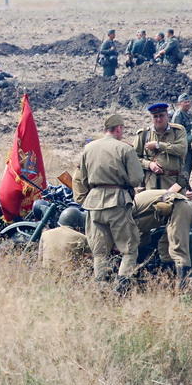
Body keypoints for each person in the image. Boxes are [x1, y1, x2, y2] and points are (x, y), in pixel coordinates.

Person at [72, 114, 144, 292]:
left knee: (99, 251)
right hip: (117, 201)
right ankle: (122, 287)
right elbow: (136, 179)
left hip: (94, 203)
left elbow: (81, 178)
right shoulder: (125, 149)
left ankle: (101, 288)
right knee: (129, 248)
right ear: (118, 128)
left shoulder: (88, 149)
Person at [133, 189, 192, 287]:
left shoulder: (130, 207)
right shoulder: (136, 211)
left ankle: (184, 290)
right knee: (164, 248)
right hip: (175, 210)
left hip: (179, 206)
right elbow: (144, 238)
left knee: (178, 250)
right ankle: (170, 284)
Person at [134, 103, 187, 190]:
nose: (158, 119)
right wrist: (149, 164)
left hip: (173, 183)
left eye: (161, 115)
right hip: (150, 183)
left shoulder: (178, 131)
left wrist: (158, 145)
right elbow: (134, 158)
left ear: (167, 116)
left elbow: (181, 150)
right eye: (155, 116)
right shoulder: (143, 134)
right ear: (151, 118)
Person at [37, 207, 91, 276]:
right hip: (70, 276)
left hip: (47, 275)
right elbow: (89, 261)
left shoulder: (45, 234)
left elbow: (40, 259)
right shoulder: (82, 237)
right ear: (76, 223)